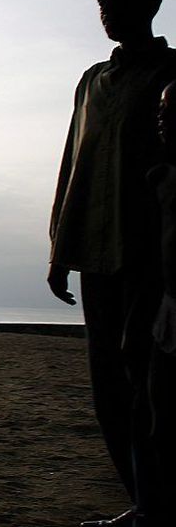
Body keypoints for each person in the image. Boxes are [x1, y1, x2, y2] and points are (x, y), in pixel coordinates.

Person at [48, 0, 176, 527]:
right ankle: (141, 501)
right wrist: (58, 246)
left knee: (149, 384)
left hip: (149, 255)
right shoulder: (91, 80)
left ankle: (157, 502)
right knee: (108, 388)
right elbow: (72, 163)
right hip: (94, 254)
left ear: (146, 5)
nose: (103, 9)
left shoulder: (171, 72)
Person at [149, 81, 176, 525]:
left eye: (168, 112)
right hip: (166, 308)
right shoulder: (161, 179)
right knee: (159, 412)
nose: (161, 120)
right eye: (160, 111)